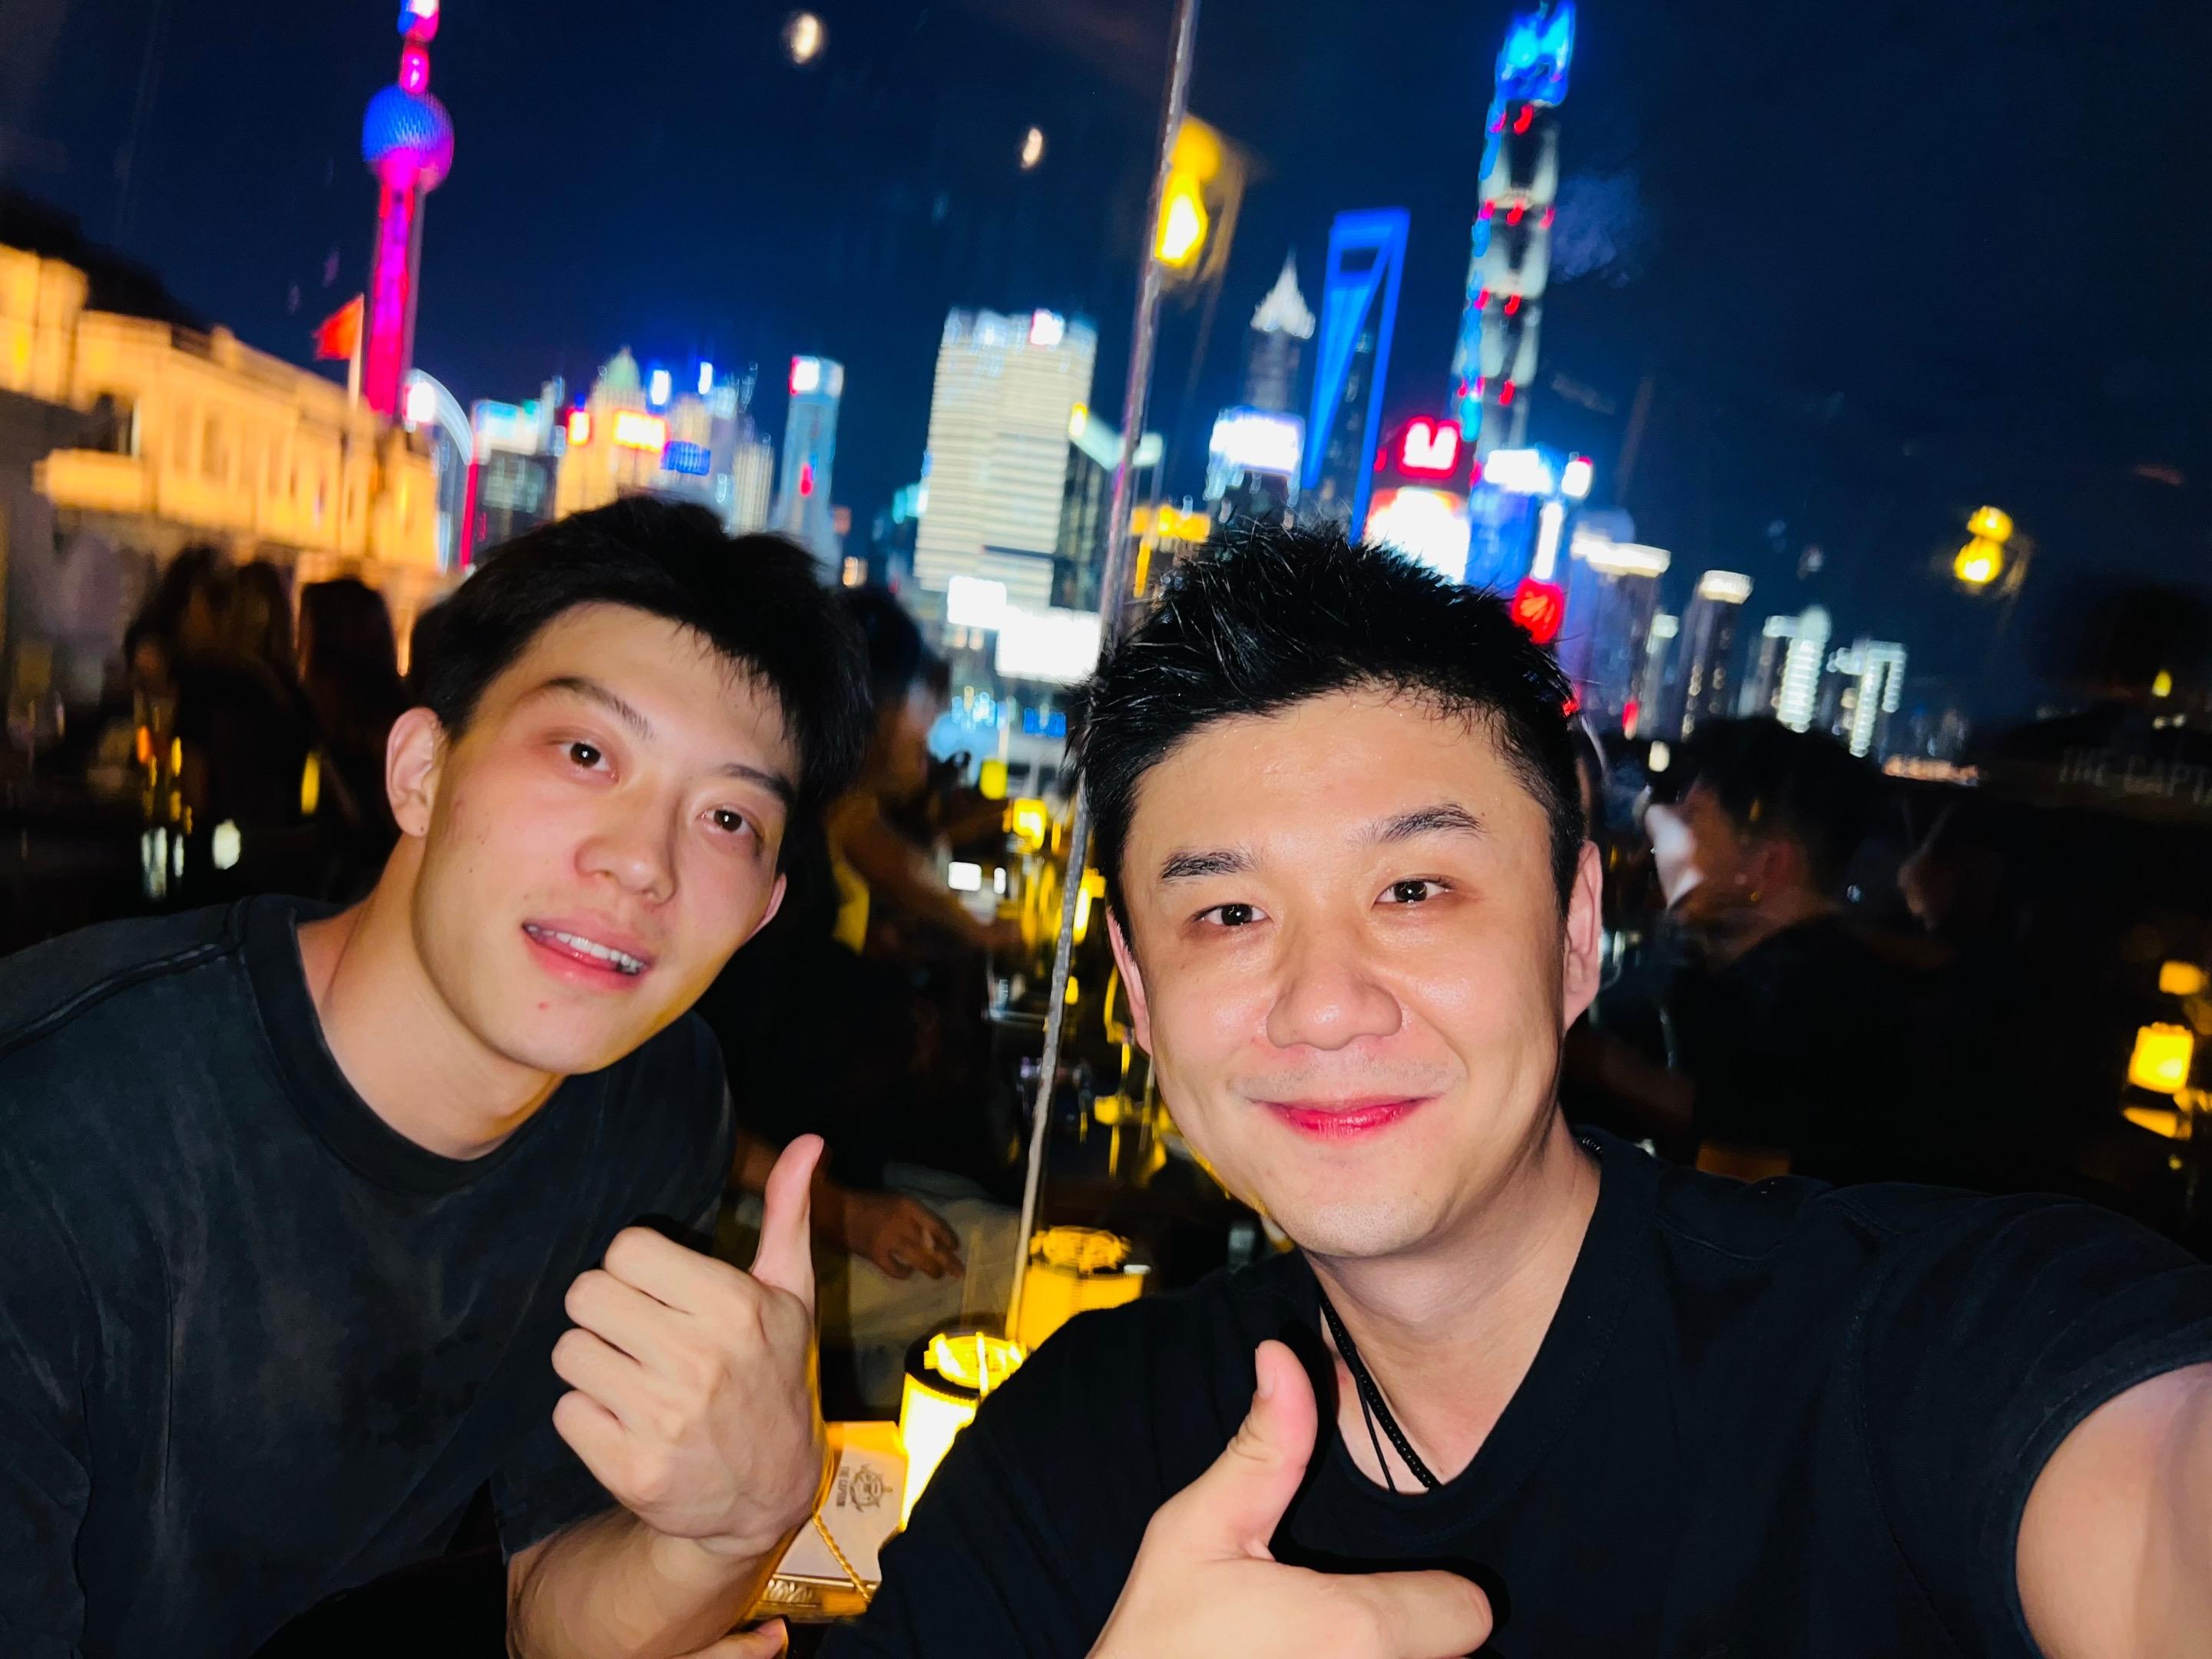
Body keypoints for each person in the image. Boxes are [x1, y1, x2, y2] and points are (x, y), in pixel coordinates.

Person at [828, 526, 2212, 1659]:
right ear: (1137, 993)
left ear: (1572, 934)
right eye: (1230, 914)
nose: (1324, 1003)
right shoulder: (1068, 1453)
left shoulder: (1920, 1357)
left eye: (1415, 889)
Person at [0, 498, 870, 1659]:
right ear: (420, 771)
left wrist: (740, 1524)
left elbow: (544, 1606)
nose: (641, 863)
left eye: (725, 817)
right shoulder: (48, 1140)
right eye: (585, 754)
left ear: (761, 912)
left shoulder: (651, 1103)